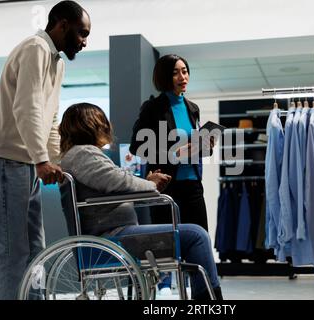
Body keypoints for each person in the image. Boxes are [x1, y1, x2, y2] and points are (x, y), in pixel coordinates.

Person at [0, 1, 91, 300]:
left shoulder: (57, 61)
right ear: (62, 25)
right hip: (7, 158)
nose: (84, 41)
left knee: (35, 248)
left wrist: (57, 161)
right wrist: (42, 160)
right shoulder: (35, 49)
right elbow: (26, 109)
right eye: (81, 33)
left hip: (26, 161)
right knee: (11, 248)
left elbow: (50, 119)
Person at [59, 102, 223, 300]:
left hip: (113, 235)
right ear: (91, 125)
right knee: (196, 235)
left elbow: (113, 183)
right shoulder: (83, 154)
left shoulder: (81, 155)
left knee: (193, 234)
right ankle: (211, 302)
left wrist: (146, 184)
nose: (107, 126)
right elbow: (118, 181)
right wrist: (150, 184)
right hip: (113, 238)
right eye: (102, 121)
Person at [129, 54, 214, 293]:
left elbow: (192, 146)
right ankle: (165, 290)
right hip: (167, 186)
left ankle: (201, 293)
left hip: (193, 186)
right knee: (166, 243)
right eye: (176, 72)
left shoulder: (192, 108)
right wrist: (175, 154)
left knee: (200, 243)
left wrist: (203, 146)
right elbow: (138, 145)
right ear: (165, 76)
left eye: (185, 71)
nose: (182, 77)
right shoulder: (153, 108)